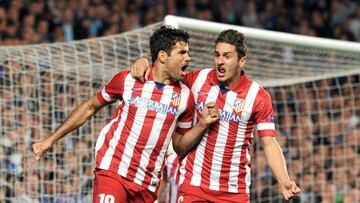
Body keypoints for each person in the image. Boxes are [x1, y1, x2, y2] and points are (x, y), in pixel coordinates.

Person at [32, 25, 220, 203]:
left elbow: (179, 147)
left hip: (146, 183)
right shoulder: (128, 80)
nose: (188, 58)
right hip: (114, 170)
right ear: (163, 56)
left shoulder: (185, 97)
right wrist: (50, 140)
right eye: (182, 52)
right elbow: (90, 107)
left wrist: (203, 124)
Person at [131, 29, 300, 202]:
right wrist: (145, 62)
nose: (220, 61)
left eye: (227, 56)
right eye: (217, 55)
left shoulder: (258, 96)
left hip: (234, 191)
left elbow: (269, 143)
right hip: (194, 186)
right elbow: (164, 74)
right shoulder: (197, 79)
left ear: (242, 61)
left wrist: (283, 179)